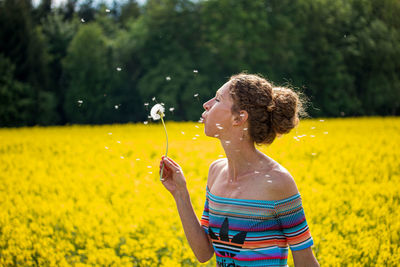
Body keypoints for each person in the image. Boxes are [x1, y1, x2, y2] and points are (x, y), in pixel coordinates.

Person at [159, 73, 319, 267]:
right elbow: (204, 253)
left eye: (217, 99)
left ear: (239, 117)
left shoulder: (277, 182)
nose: (206, 104)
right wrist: (180, 193)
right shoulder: (216, 171)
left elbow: (306, 262)